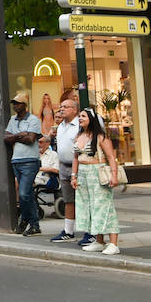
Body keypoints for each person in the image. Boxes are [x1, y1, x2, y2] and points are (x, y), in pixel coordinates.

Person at [72, 106, 121, 254]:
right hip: (83, 175)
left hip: (97, 172)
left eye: (83, 116)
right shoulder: (79, 136)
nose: (80, 118)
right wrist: (73, 176)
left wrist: (114, 175)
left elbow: (111, 157)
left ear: (91, 119)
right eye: (79, 116)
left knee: (104, 206)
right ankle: (99, 240)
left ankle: (113, 243)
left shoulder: (101, 137)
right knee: (90, 207)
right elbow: (75, 158)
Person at [48, 96, 87, 245]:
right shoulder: (60, 126)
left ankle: (89, 232)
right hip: (63, 165)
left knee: (83, 199)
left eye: (66, 107)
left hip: (78, 166)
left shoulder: (80, 124)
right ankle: (68, 231)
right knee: (68, 200)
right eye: (61, 107)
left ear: (75, 110)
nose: (62, 109)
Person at [4, 90, 43, 235]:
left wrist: (16, 137)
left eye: (18, 104)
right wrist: (20, 135)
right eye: (14, 103)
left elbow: (30, 139)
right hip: (16, 160)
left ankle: (27, 220)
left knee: (24, 194)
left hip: (30, 160)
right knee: (27, 194)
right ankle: (33, 223)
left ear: (24, 105)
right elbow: (6, 138)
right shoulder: (12, 120)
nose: (15, 106)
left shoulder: (33, 119)